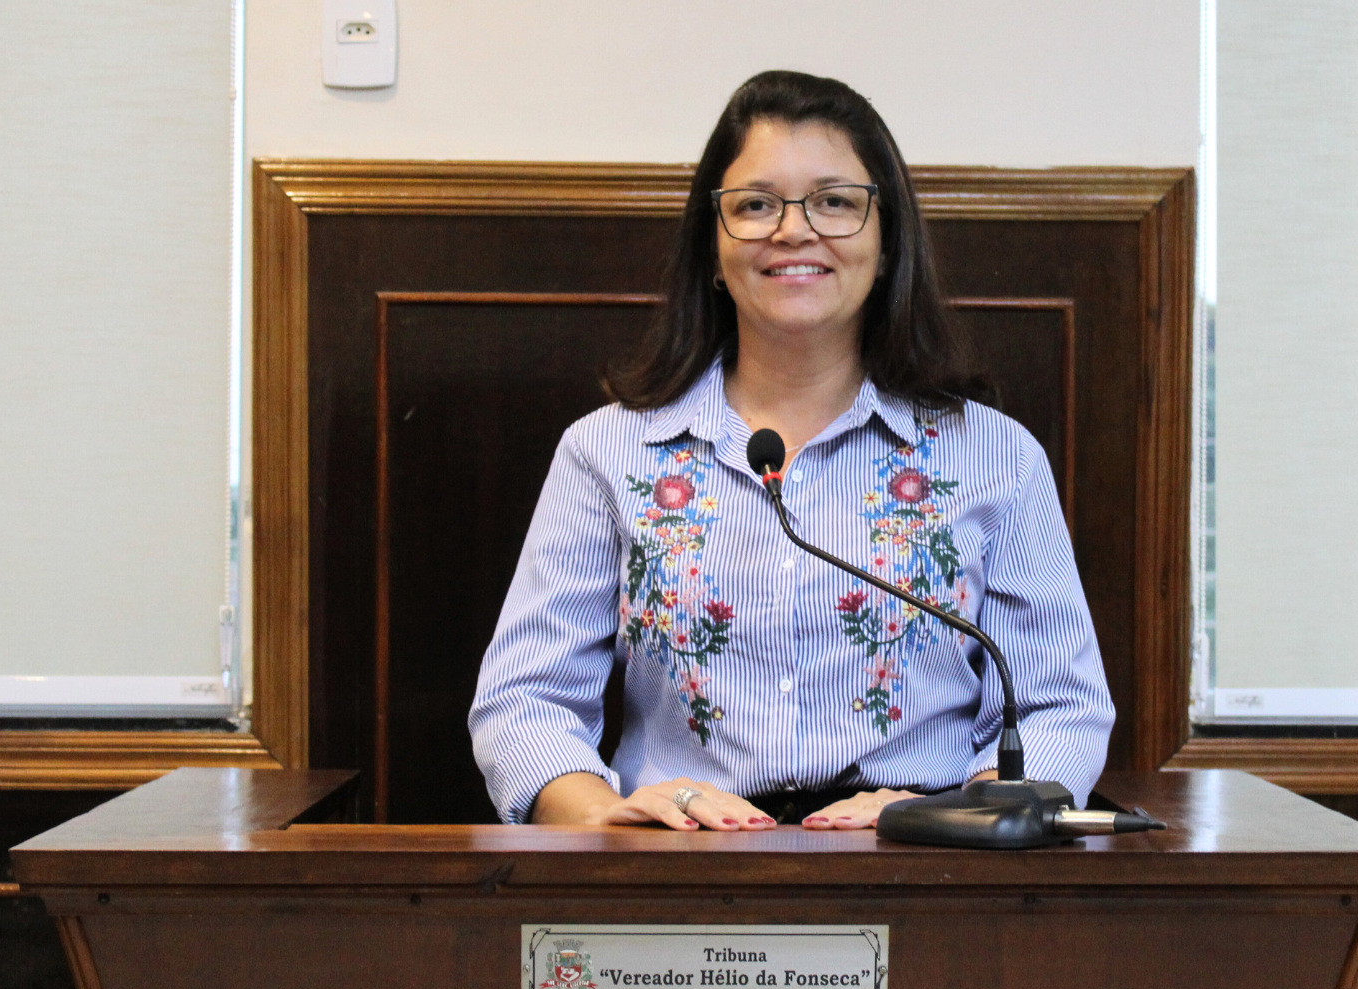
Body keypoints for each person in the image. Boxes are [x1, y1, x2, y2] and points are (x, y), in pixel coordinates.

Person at [468, 70, 1113, 832]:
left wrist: (952, 814)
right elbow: (524, 702)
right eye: (755, 205)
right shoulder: (607, 451)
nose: (793, 230)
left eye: (835, 202)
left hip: (927, 863)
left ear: (887, 241)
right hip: (682, 863)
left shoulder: (994, 455)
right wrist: (607, 816)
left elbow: (1060, 709)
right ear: (712, 245)